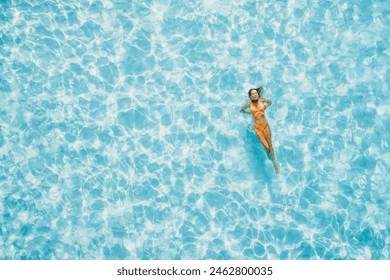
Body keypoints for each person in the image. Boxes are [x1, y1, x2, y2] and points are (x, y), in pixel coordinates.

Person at [240, 86, 279, 173]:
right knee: (266, 146)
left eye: (256, 93)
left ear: (257, 94)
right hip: (257, 128)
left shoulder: (261, 100)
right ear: (250, 96)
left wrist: (265, 107)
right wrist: (249, 113)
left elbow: (270, 102)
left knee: (270, 146)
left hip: (265, 126)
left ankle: (274, 164)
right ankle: (268, 153)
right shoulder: (248, 104)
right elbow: (241, 110)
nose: (255, 95)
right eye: (253, 94)